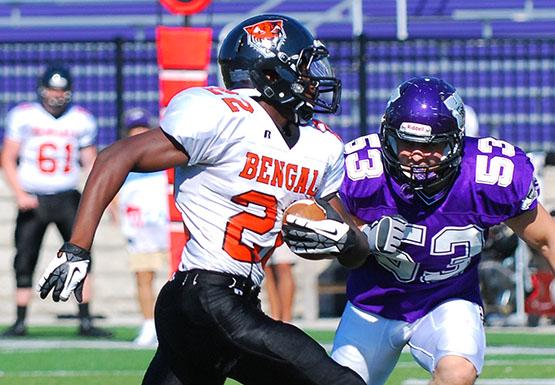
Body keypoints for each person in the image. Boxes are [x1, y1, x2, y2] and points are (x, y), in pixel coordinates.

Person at [36, 14, 374, 385]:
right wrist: (77, 248)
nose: (314, 81)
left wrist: (347, 239)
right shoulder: (224, 118)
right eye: (304, 70)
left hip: (228, 303)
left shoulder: (320, 145)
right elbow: (115, 157)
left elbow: (352, 246)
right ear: (272, 75)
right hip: (206, 296)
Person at [328, 76, 555, 385]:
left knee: (457, 373)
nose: (417, 156)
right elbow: (321, 218)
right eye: (406, 143)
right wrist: (360, 234)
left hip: (448, 300)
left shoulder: (487, 174)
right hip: (373, 303)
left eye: (431, 146)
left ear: (456, 142)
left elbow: (546, 238)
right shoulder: (361, 169)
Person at [1, 65, 112, 338]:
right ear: (42, 89)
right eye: (52, 89)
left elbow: (91, 163)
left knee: (81, 256)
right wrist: (19, 194)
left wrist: (95, 196)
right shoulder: (24, 116)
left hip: (67, 196)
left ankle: (85, 320)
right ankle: (20, 321)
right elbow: (7, 157)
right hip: (34, 198)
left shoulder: (81, 120)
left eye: (61, 90)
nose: (56, 95)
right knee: (25, 259)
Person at [115, 107, 169, 345]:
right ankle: (149, 325)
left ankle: (170, 324)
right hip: (140, 228)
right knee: (143, 277)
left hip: (164, 226)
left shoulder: (165, 159)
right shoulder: (124, 162)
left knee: (172, 278)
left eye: (142, 129)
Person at [264, 243, 297, 321]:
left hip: (282, 231)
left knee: (283, 265)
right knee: (266, 268)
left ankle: (286, 320)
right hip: (259, 232)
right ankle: (274, 318)